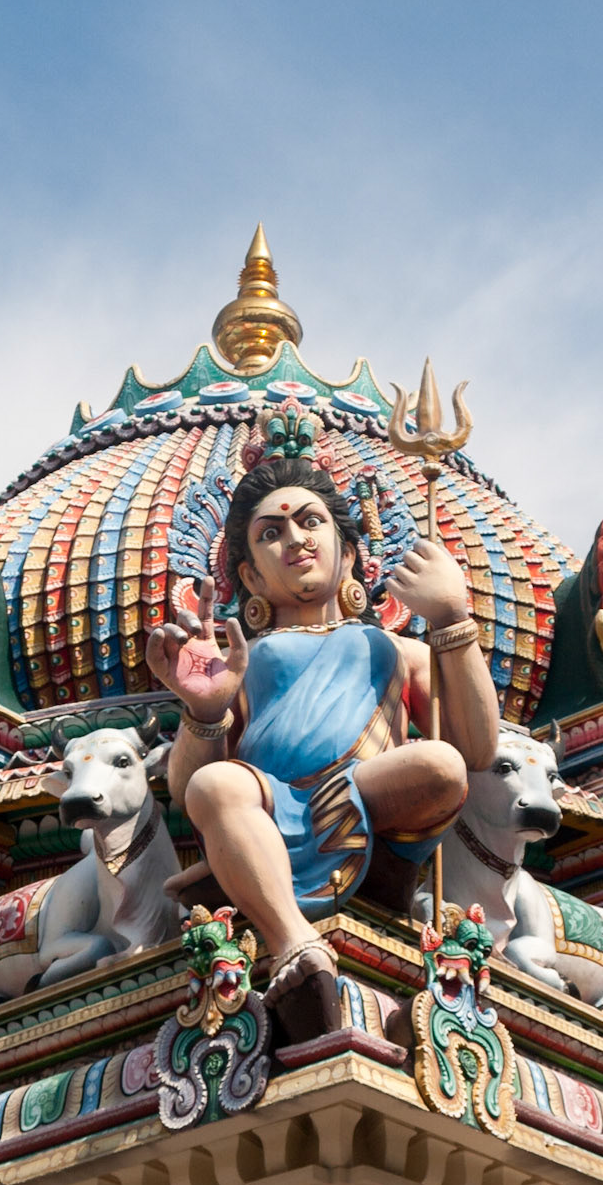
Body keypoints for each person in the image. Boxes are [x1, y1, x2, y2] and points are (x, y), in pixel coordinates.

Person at [144, 432, 499, 1043]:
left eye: (310, 522)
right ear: (252, 577)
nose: (295, 540)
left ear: (351, 552)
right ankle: (294, 947)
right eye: (271, 534)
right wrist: (206, 710)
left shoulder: (395, 648)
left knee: (440, 766)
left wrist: (450, 617)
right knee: (214, 783)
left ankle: (310, 887)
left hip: (367, 791)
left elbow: (478, 750)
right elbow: (185, 791)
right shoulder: (243, 661)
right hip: (269, 803)